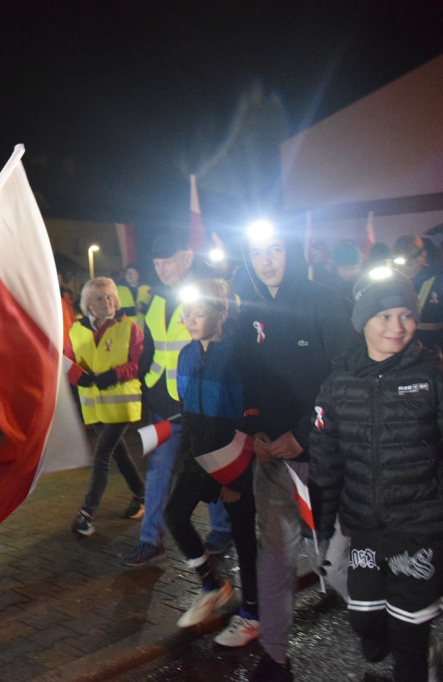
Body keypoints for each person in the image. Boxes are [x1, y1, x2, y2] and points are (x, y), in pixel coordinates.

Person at [235, 219, 360, 682]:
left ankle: (388, 626)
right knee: (276, 556)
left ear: (292, 252)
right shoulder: (247, 309)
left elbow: (346, 379)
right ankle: (275, 655)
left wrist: (307, 434)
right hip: (272, 463)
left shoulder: (325, 301)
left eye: (275, 250)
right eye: (257, 253)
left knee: (340, 559)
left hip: (325, 458)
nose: (266, 261)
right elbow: (247, 377)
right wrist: (255, 431)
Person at [310, 267, 443, 682]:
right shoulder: (338, 383)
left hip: (419, 530)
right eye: (383, 316)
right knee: (364, 621)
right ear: (362, 320)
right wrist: (324, 526)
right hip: (365, 529)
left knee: (407, 636)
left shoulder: (431, 376)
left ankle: (419, 653)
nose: (397, 327)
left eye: (405, 314)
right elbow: (326, 460)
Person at [122, 231, 233, 567]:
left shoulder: (209, 293)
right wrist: (144, 383)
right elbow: (152, 348)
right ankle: (150, 540)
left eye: (166, 261)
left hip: (199, 402)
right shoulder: (155, 299)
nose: (161, 268)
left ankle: (222, 531)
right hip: (163, 402)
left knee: (210, 465)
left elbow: (221, 346)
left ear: (186, 257)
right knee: (158, 471)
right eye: (156, 263)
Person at [163, 279, 260, 647]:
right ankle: (212, 585)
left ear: (221, 312)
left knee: (244, 537)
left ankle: (252, 613)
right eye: (186, 312)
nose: (189, 318)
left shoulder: (239, 353)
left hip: (234, 460)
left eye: (198, 312)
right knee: (174, 516)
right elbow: (188, 409)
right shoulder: (186, 354)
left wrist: (236, 477)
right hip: (199, 457)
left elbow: (250, 414)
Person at [66, 277, 147, 535]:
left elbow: (138, 362)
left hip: (121, 404)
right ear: (88, 304)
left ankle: (86, 514)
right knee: (119, 453)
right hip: (94, 407)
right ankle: (141, 496)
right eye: (100, 298)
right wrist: (81, 377)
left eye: (110, 297)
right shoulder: (76, 330)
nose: (107, 302)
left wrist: (113, 375)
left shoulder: (129, 326)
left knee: (101, 456)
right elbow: (67, 362)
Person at [391, 235, 443, 354]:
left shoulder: (438, 280)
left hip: (432, 344)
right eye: (397, 262)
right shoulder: (391, 282)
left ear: (421, 258)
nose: (401, 268)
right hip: (401, 345)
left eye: (406, 263)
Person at [117, 263, 152, 328]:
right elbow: (114, 312)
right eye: (128, 273)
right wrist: (134, 309)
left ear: (138, 275)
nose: (130, 275)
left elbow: (152, 310)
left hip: (143, 330)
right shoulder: (118, 290)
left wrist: (143, 308)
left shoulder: (147, 290)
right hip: (124, 330)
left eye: (132, 273)